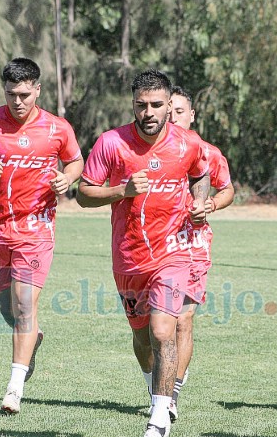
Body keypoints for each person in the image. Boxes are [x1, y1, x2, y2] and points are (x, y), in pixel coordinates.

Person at [76, 69, 210, 437]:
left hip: (174, 253)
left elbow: (201, 174)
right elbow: (84, 194)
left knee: (163, 329)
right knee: (142, 338)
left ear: (170, 105)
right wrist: (122, 190)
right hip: (129, 257)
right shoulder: (111, 143)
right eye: (141, 105)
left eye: (156, 105)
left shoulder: (188, 144)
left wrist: (199, 202)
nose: (148, 112)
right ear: (133, 105)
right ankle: (156, 387)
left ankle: (160, 416)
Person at [0, 57, 83, 414]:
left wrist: (66, 179)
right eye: (12, 94)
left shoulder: (57, 128)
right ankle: (31, 341)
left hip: (36, 231)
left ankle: (13, 389)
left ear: (38, 90)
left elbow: (76, 161)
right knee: (11, 314)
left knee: (25, 306)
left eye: (25, 94)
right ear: (4, 91)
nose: (18, 102)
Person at [166, 85, 234, 422]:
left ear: (192, 116)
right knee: (155, 329)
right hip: (155, 248)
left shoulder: (207, 152)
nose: (173, 116)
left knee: (183, 321)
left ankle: (172, 394)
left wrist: (210, 203)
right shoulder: (152, 149)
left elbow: (228, 189)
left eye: (180, 111)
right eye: (169, 110)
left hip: (193, 246)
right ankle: (161, 383)